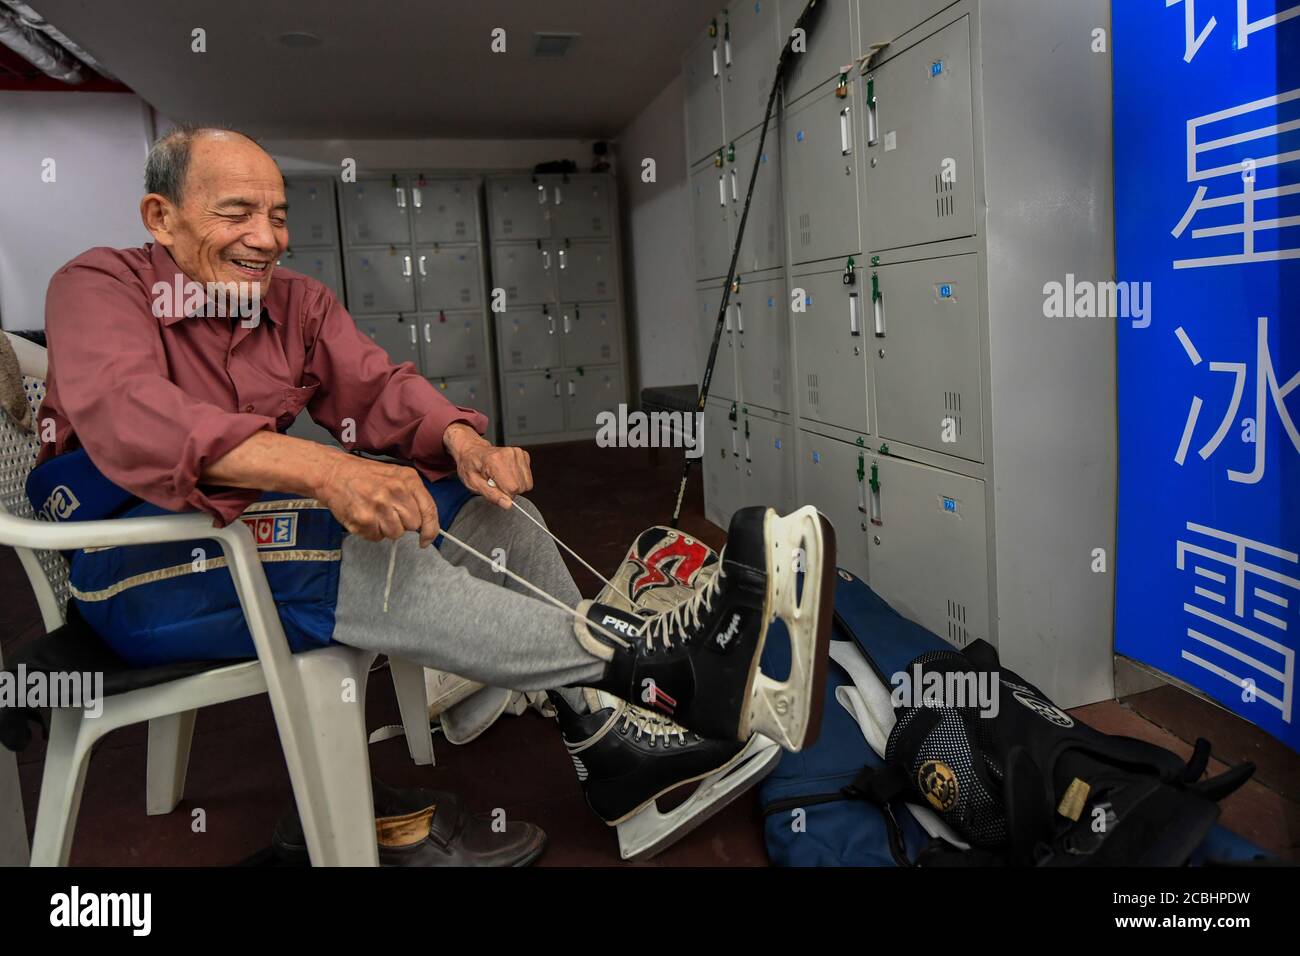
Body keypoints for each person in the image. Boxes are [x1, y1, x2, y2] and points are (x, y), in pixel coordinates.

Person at [30, 124, 832, 865]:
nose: (266, 238)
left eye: (278, 214)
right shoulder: (98, 285)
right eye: (237, 212)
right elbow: (129, 414)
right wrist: (330, 471)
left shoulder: (294, 303)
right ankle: (669, 666)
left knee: (499, 513)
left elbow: (376, 388)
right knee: (372, 552)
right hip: (136, 561)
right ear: (160, 216)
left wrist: (463, 441)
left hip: (256, 535)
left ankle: (604, 744)